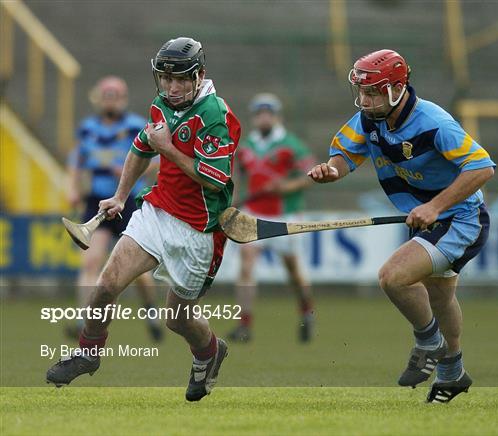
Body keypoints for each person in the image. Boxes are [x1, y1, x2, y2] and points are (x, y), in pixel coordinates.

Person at [47, 37, 241, 402]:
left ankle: (210, 352)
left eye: (181, 79)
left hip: (199, 229)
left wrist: (167, 147)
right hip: (155, 210)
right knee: (105, 284)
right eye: (165, 79)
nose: (172, 87)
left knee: (177, 319)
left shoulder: (217, 116)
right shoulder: (162, 104)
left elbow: (214, 179)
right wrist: (121, 196)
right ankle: (88, 353)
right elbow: (141, 147)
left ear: (199, 76)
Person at [308, 49, 495, 403]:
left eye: (373, 92)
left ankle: (429, 344)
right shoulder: (370, 118)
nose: (365, 100)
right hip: (426, 218)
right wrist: (332, 170)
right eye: (362, 92)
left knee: (392, 276)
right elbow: (346, 154)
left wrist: (436, 205)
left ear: (396, 89)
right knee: (441, 299)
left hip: (460, 218)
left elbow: (482, 168)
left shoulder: (433, 122)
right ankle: (453, 374)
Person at [66, 76, 163, 342]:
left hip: (127, 201)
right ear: (100, 98)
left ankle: (150, 312)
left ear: (123, 98)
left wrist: (132, 171)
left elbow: (158, 159)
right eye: (106, 96)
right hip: (97, 200)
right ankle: (82, 318)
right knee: (90, 260)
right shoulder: (88, 128)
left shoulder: (135, 126)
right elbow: (77, 160)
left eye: (115, 96)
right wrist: (72, 187)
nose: (111, 100)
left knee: (137, 271)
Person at [228, 93, 316, 343]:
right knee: (246, 265)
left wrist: (284, 187)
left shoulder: (291, 144)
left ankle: (306, 311)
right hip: (254, 214)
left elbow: (309, 177)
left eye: (269, 113)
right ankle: (244, 324)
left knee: (293, 271)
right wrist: (232, 203)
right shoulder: (246, 147)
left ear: (277, 116)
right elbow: (237, 178)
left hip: (283, 216)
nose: (264, 118)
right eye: (259, 114)